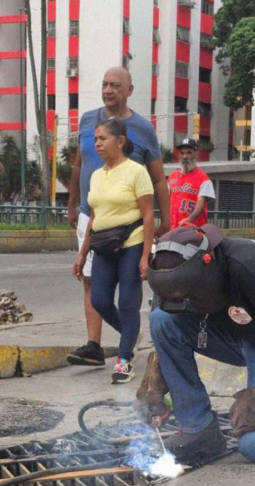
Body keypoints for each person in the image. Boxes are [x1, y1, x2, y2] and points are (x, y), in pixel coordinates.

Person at [138, 224, 255, 465]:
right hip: (238, 335)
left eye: (189, 299)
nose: (185, 305)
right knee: (161, 319)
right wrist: (155, 379)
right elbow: (169, 327)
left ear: (208, 267)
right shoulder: (173, 273)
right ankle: (199, 430)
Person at [66, 66, 169, 367]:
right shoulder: (88, 120)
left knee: (129, 286)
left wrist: (166, 219)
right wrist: (72, 204)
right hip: (93, 214)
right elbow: (77, 165)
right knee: (89, 281)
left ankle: (127, 340)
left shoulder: (143, 129)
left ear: (128, 91)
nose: (108, 90)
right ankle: (94, 346)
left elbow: (159, 178)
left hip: (131, 222)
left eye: (115, 85)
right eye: (104, 84)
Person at [72, 118, 155, 384]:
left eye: (102, 138)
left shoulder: (136, 172)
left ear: (120, 141)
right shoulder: (97, 176)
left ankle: (123, 360)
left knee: (128, 303)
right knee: (99, 300)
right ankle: (130, 335)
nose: (97, 143)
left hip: (131, 242)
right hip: (104, 245)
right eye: (95, 138)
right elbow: (94, 217)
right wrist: (82, 253)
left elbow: (148, 215)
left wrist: (145, 256)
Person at [168, 137, 214, 229]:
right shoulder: (172, 176)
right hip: (174, 230)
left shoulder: (203, 178)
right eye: (182, 153)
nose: (185, 156)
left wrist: (189, 219)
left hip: (197, 230)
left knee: (203, 239)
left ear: (196, 154)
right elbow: (165, 202)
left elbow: (200, 204)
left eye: (189, 152)